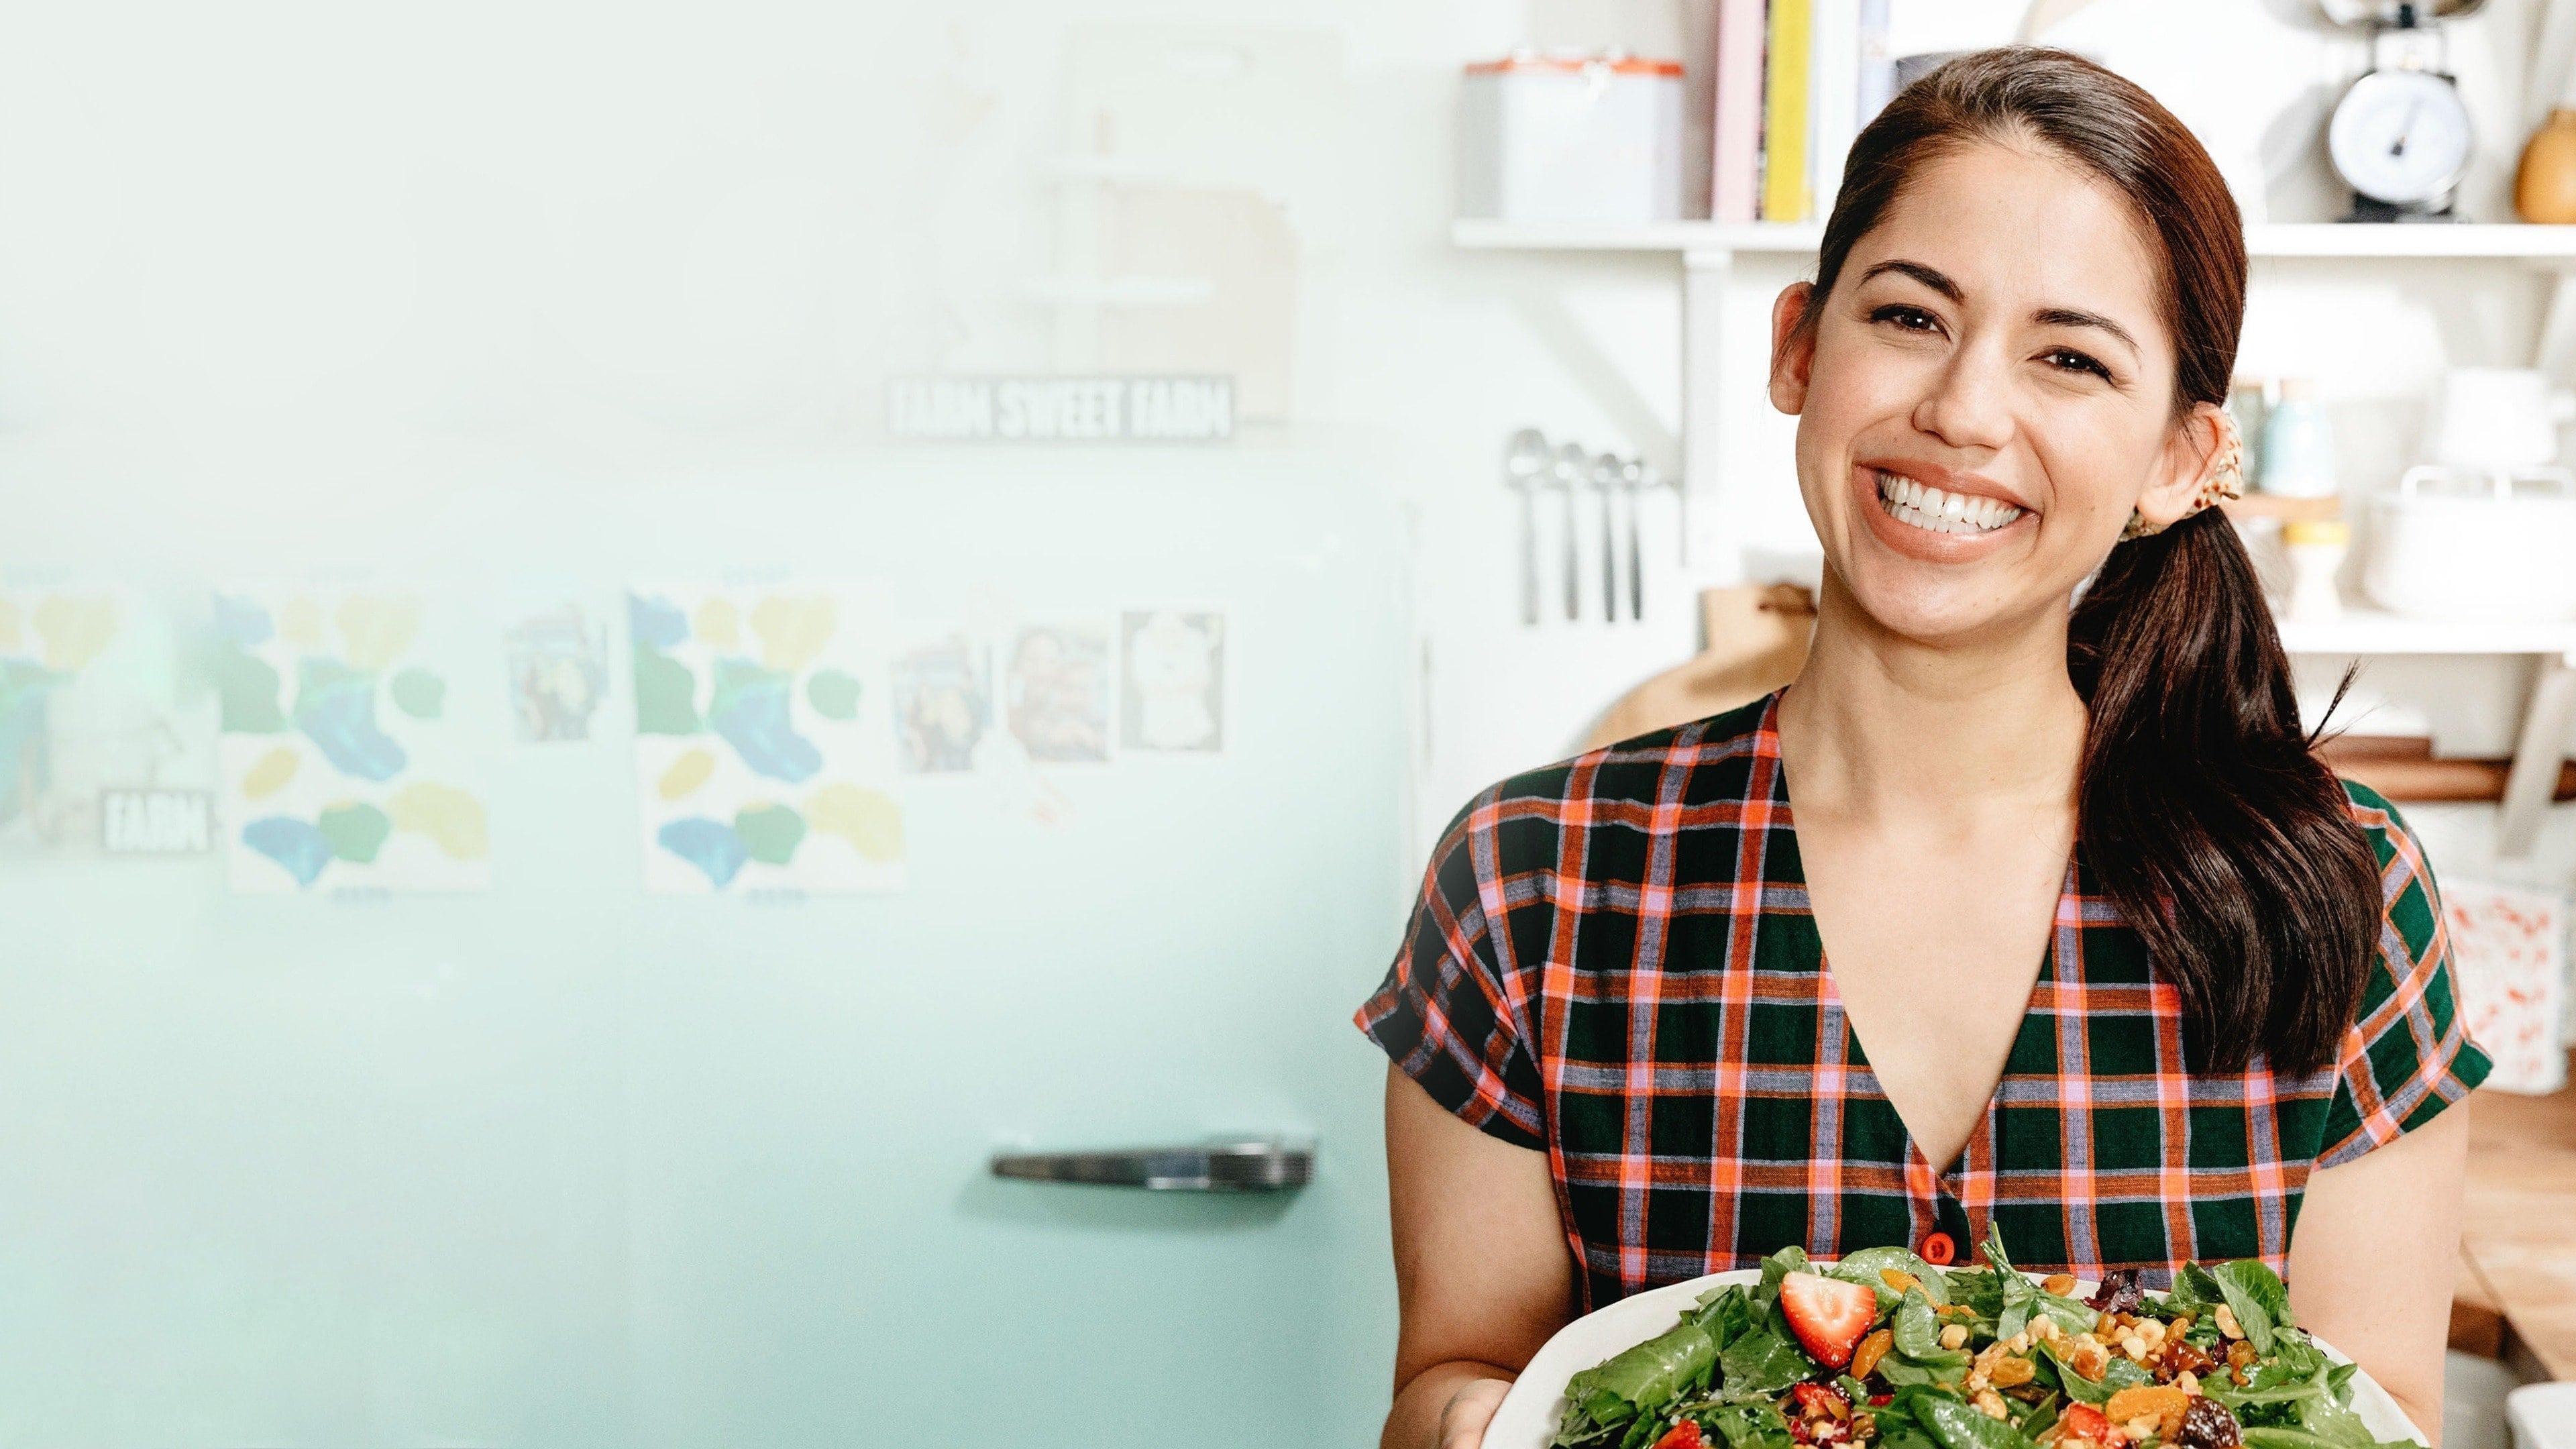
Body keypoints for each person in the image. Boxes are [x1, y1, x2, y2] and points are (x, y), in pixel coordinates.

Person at [1358, 46, 2489, 1449]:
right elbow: (1453, 1384)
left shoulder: (2347, 892)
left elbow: (2380, 1419)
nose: (1963, 412)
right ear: (1799, 348)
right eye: (1910, 317)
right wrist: (1479, 1426)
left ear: (2182, 461)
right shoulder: (1531, 887)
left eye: (2071, 357)